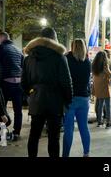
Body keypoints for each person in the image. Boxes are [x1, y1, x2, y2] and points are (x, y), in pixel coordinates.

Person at [22, 28, 72, 157]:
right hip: (55, 101)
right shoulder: (59, 57)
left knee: (34, 135)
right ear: (54, 40)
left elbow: (23, 83)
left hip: (36, 99)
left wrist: (31, 94)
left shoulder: (29, 58)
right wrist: (68, 100)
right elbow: (66, 82)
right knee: (54, 137)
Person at [63, 39, 91, 157]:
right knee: (84, 127)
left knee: (68, 129)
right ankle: (86, 153)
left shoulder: (67, 60)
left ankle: (65, 155)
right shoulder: (87, 62)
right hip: (84, 98)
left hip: (71, 98)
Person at [92, 51, 111, 128]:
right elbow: (110, 74)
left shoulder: (94, 66)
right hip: (104, 86)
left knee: (100, 104)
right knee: (108, 105)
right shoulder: (104, 65)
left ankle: (99, 121)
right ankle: (108, 122)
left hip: (97, 86)